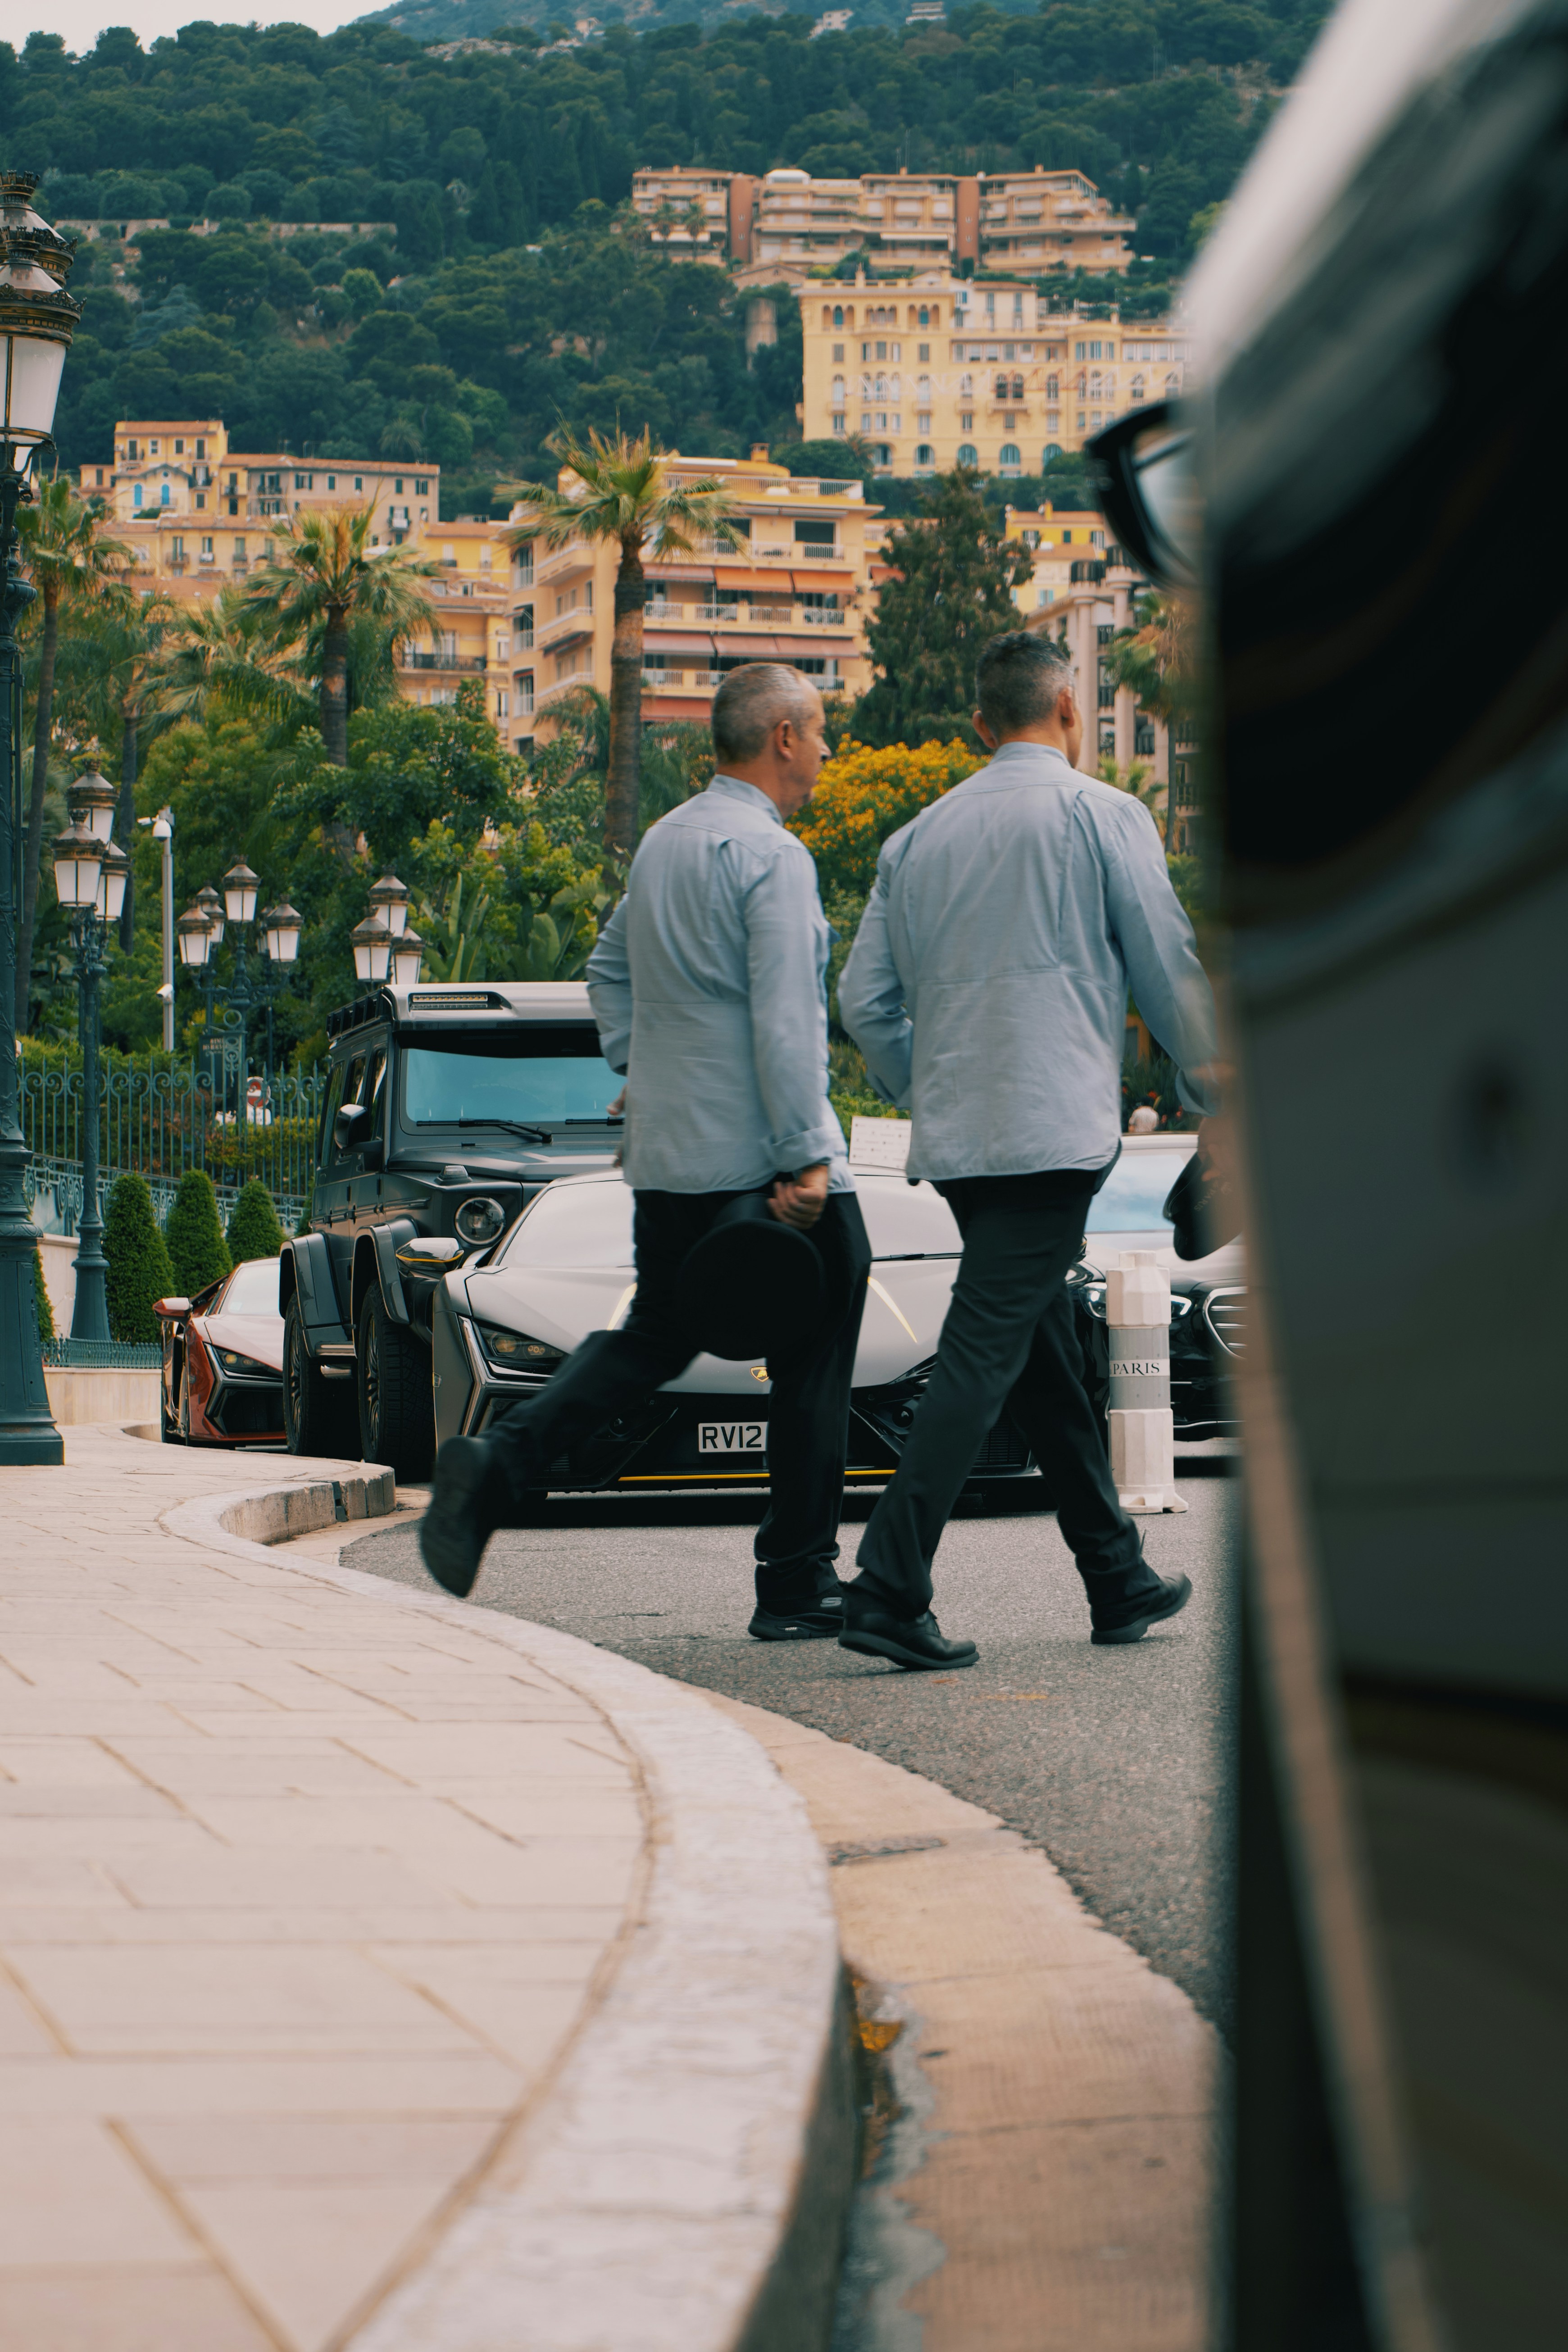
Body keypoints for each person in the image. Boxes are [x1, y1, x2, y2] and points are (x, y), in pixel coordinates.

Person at [419, 663, 873, 1634]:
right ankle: (797, 1579)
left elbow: (606, 968)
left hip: (668, 1156)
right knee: (816, 1351)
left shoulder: (663, 844)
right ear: (782, 737)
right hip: (764, 1159)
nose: (826, 749)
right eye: (819, 730)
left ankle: (499, 1464)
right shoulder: (773, 856)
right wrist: (806, 1155)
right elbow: (788, 1017)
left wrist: (644, 1061)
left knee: (654, 1335)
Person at [836, 630, 1223, 1670]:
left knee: (1039, 1342)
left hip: (961, 1140)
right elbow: (1166, 966)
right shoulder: (1104, 814)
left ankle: (1115, 1570)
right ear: (1069, 708)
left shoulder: (915, 840)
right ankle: (888, 1585)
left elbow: (863, 1002)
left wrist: (928, 1086)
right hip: (1052, 1134)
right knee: (982, 1348)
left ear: (979, 726)